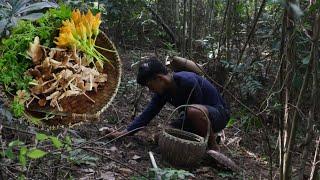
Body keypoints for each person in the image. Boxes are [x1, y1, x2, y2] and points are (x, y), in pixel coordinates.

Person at [106, 57, 230, 150]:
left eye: (150, 86)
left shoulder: (188, 81)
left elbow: (198, 110)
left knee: (193, 111)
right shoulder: (163, 91)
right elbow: (147, 114)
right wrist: (124, 133)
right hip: (192, 117)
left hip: (217, 115)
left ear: (160, 79)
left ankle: (213, 147)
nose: (150, 90)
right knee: (160, 137)